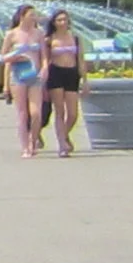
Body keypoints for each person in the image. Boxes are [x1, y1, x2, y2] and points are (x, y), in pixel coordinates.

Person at [0, 2, 47, 158]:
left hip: (35, 75)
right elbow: (3, 57)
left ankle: (34, 140)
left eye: (35, 15)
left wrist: (45, 68)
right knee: (22, 113)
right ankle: (25, 146)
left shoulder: (39, 34)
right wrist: (15, 56)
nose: (34, 17)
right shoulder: (12, 34)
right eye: (31, 15)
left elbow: (44, 56)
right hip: (18, 75)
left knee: (36, 113)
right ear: (22, 16)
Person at [45, 8, 85, 157]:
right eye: (59, 20)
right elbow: (45, 60)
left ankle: (64, 134)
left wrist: (85, 80)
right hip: (56, 73)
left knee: (73, 114)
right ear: (54, 23)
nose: (63, 22)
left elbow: (80, 59)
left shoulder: (75, 38)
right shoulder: (49, 39)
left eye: (65, 19)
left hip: (72, 74)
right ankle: (62, 145)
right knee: (60, 111)